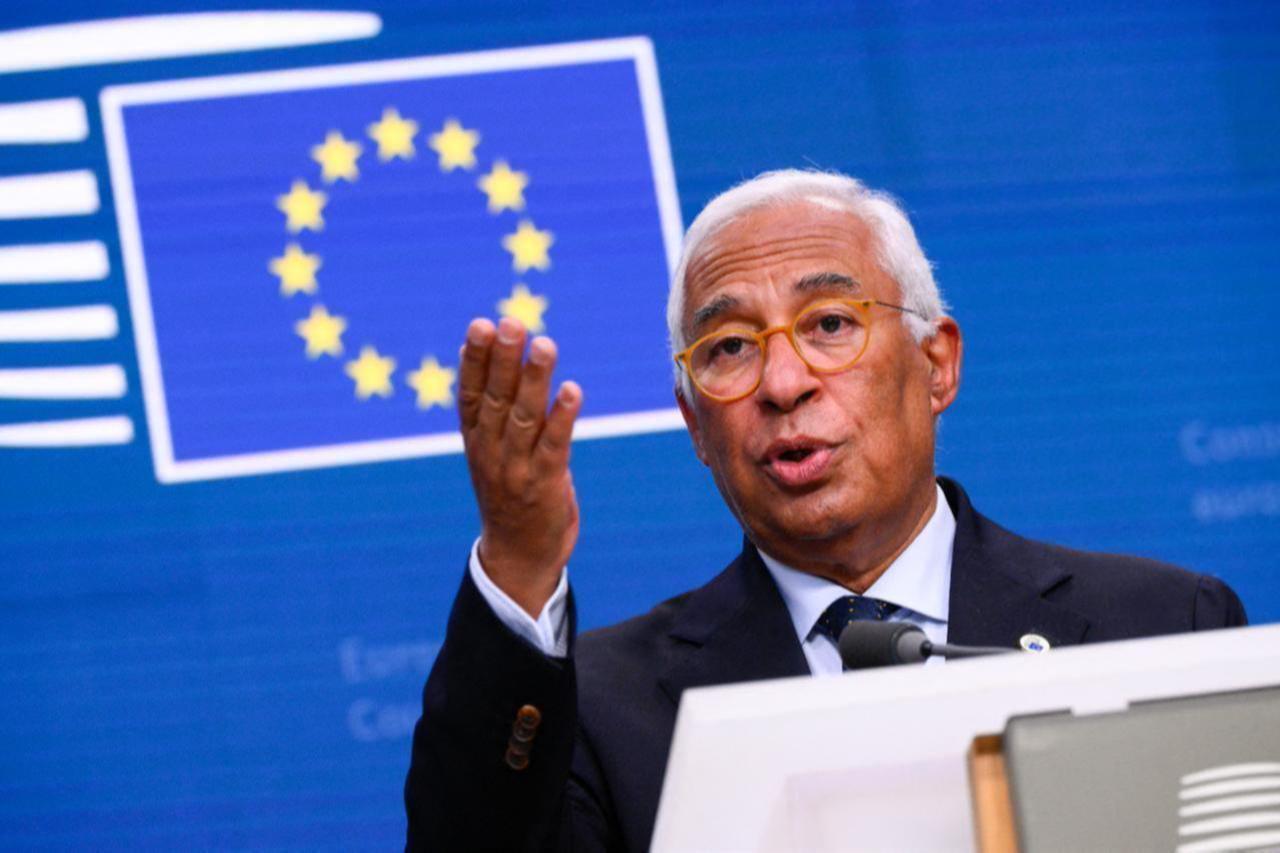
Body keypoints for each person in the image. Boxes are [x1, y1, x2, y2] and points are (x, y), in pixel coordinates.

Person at [403, 169, 1246, 851]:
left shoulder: (1164, 622)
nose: (782, 382)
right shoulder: (603, 707)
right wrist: (519, 559)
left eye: (831, 323)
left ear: (936, 364)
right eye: (729, 347)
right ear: (696, 423)